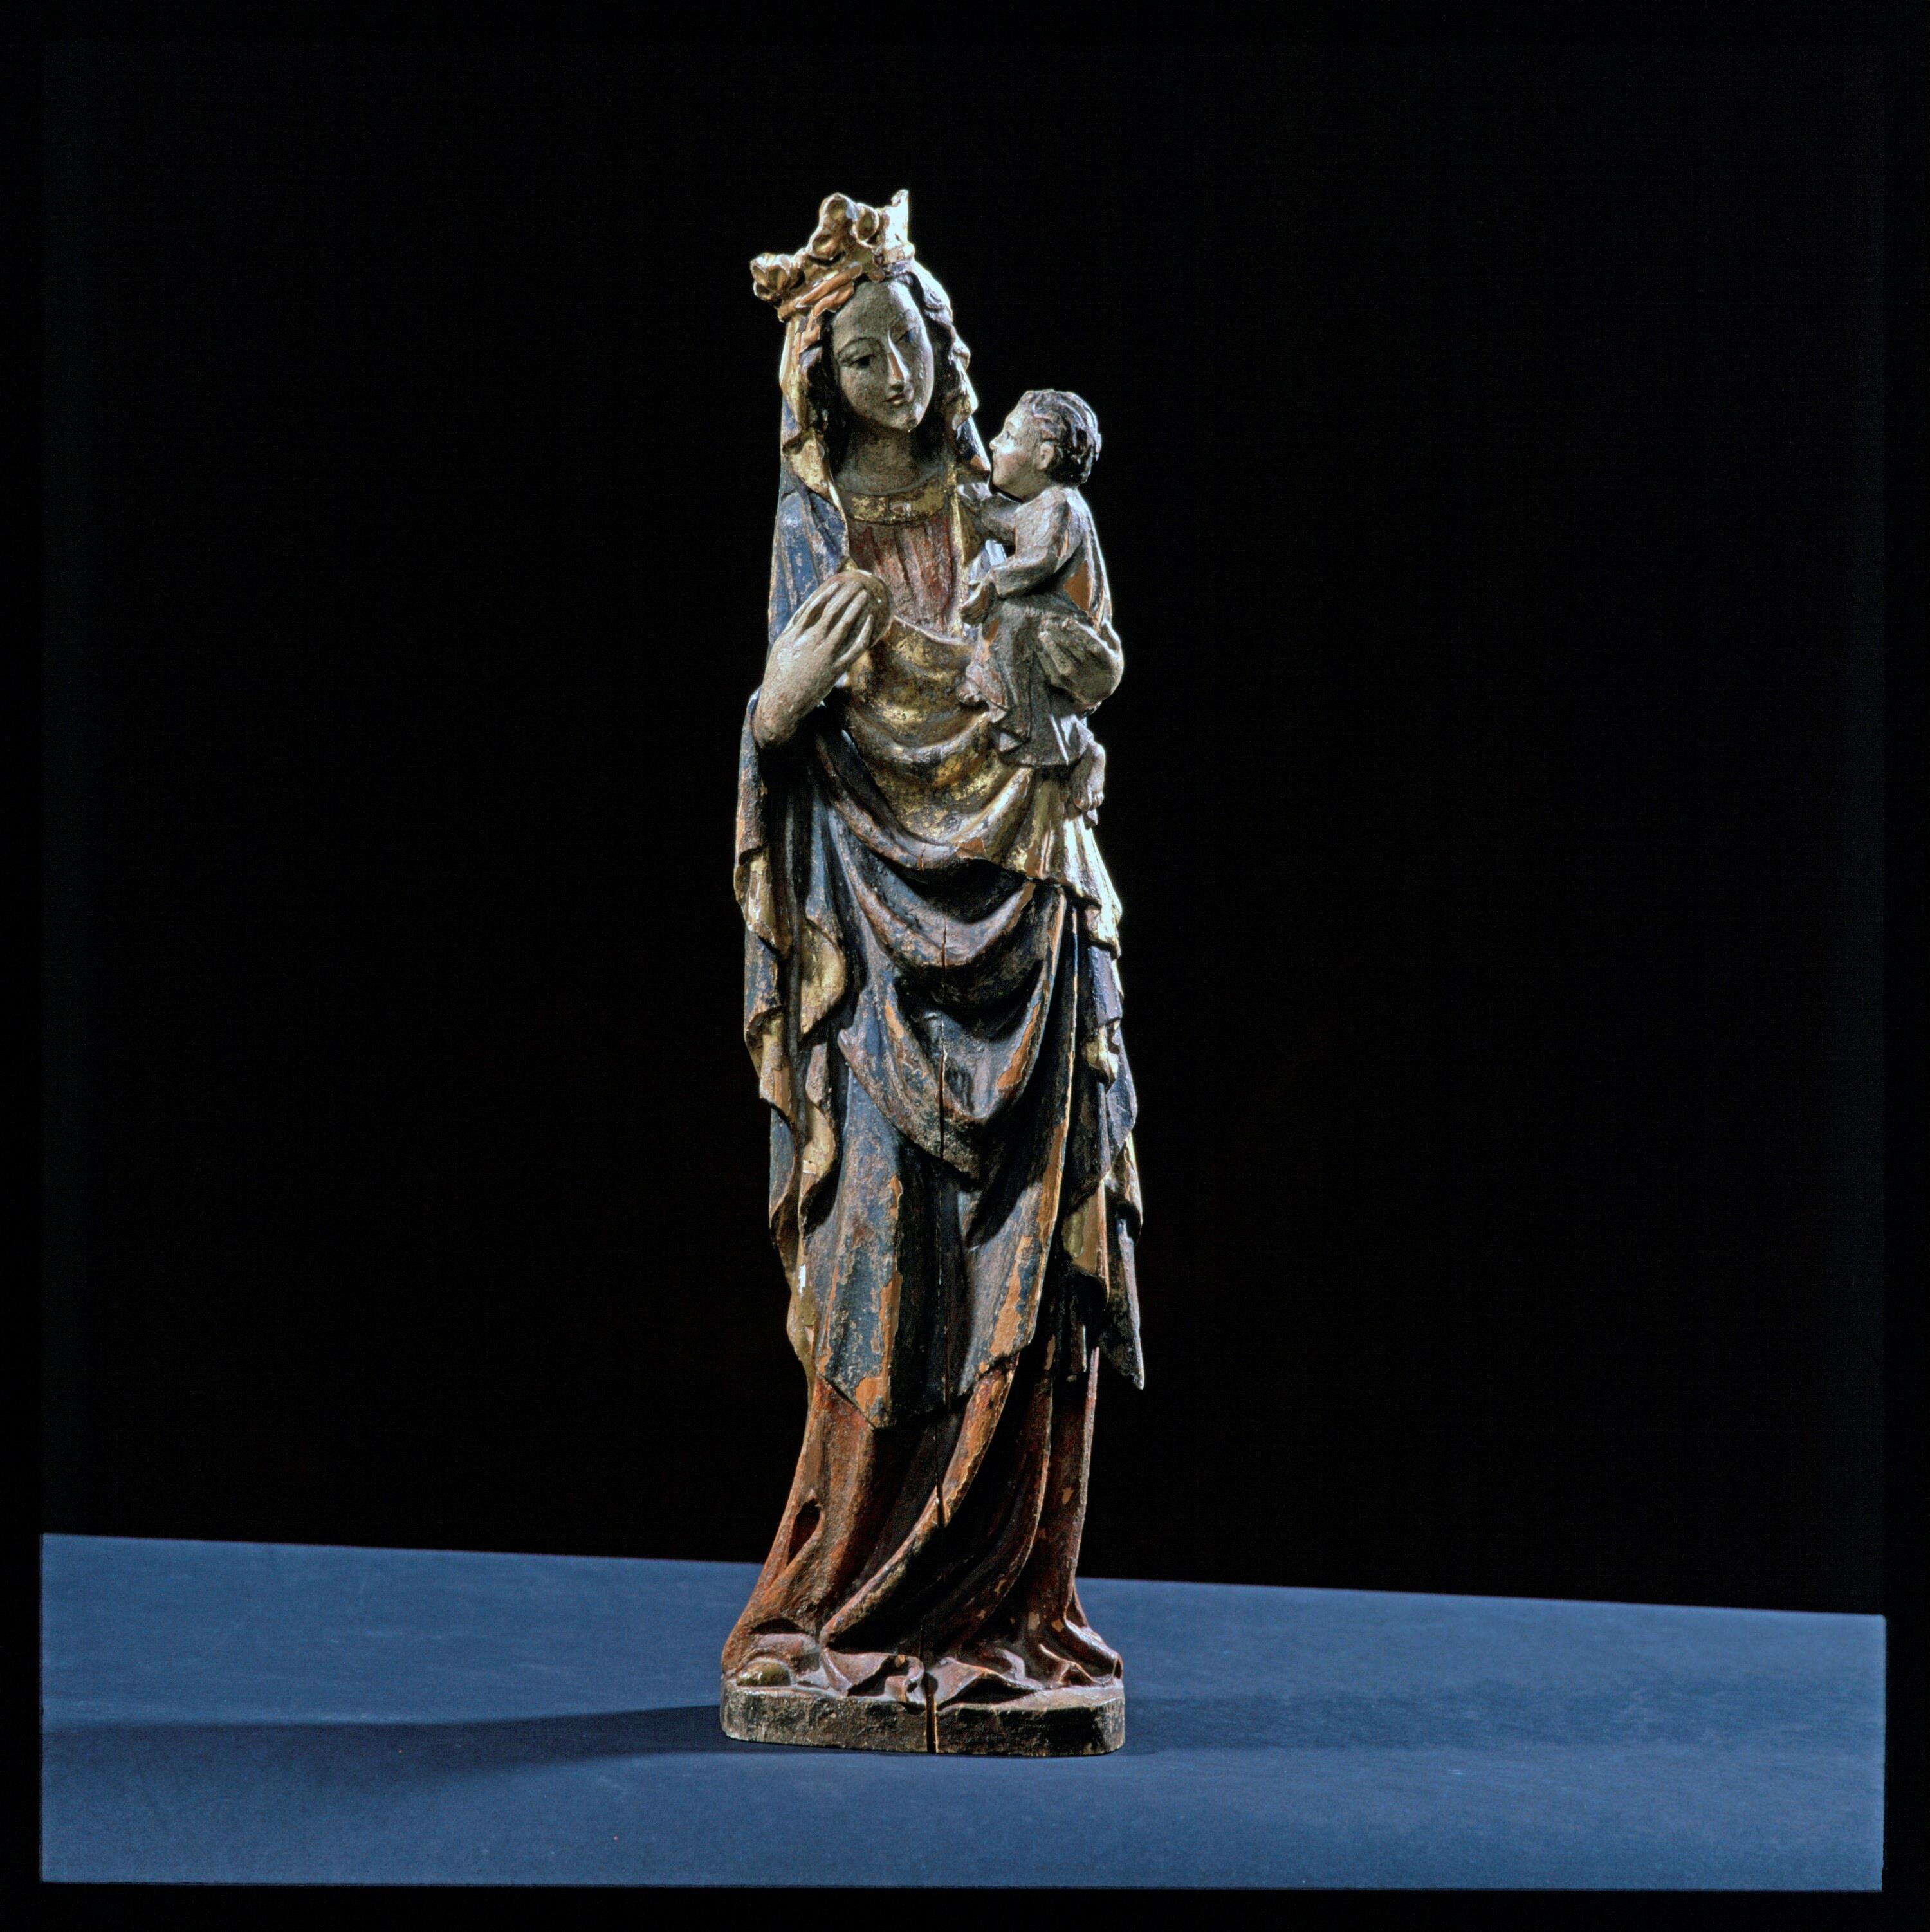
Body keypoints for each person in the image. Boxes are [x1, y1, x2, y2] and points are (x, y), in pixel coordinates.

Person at [724, 193, 1143, 1722]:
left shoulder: (1015, 509)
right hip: (876, 945)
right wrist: (775, 711)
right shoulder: (816, 528)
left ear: (944, 348)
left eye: (907, 345)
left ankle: (1008, 1597)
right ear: (820, 383)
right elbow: (780, 739)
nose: (890, 377)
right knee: (882, 1260)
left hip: (1030, 910)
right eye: (858, 358)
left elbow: (1088, 667)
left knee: (1029, 1261)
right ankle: (850, 1590)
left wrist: (1069, 735)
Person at [958, 390, 1114, 822]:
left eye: (1009, 436)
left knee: (1011, 615)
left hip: (1074, 637)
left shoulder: (1060, 506)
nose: (994, 443)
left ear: (1043, 456)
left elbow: (1040, 559)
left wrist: (992, 583)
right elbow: (1002, 522)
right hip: (1054, 625)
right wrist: (967, 501)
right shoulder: (1039, 506)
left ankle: (1076, 749)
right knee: (1014, 618)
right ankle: (997, 690)